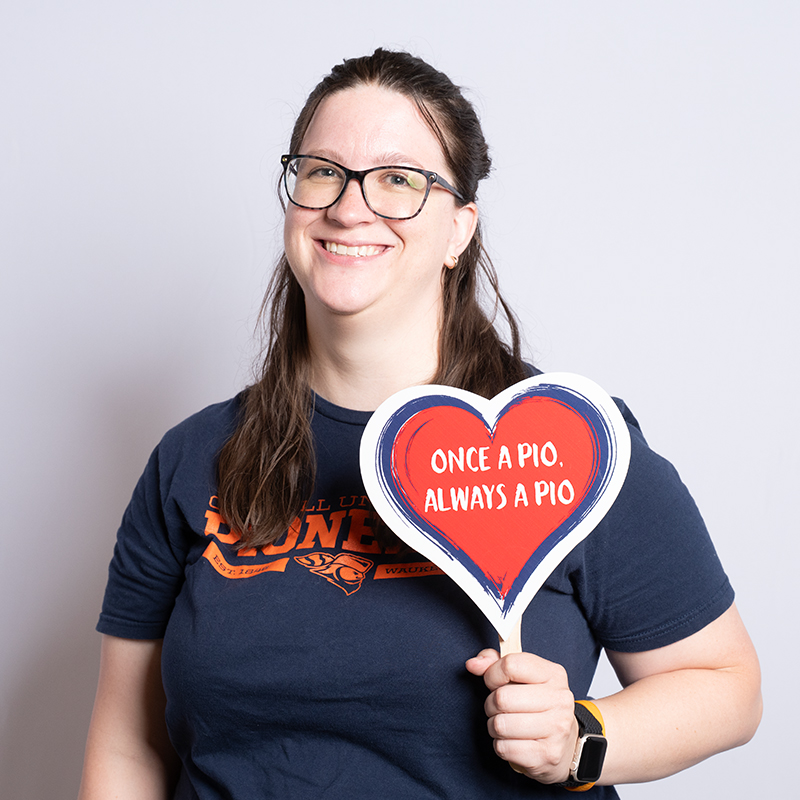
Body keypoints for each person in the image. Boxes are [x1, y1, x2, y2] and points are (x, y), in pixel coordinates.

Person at [78, 49, 761, 799]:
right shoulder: (193, 459)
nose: (349, 206)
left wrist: (582, 739)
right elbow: (128, 746)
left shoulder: (563, 443)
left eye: (399, 180)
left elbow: (726, 687)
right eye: (321, 171)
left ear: (460, 229)